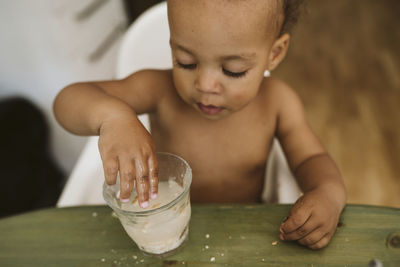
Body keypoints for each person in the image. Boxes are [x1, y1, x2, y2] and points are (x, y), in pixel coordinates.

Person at [53, 0, 346, 250]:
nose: (205, 85)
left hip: (246, 231)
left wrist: (328, 193)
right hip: (164, 232)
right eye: (186, 62)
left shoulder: (278, 102)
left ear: (275, 54)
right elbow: (68, 101)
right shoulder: (159, 90)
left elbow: (311, 158)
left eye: (233, 70)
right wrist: (111, 117)